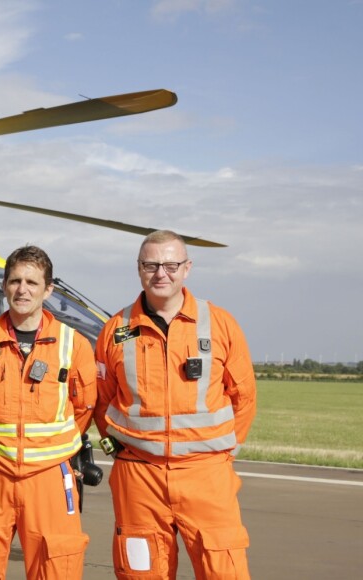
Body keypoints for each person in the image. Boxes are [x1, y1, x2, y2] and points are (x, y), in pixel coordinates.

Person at [94, 229, 257, 580]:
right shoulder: (115, 330)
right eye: (151, 265)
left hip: (206, 475)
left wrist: (222, 454)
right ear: (139, 269)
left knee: (223, 571)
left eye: (170, 264)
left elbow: (244, 397)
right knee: (141, 572)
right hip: (139, 476)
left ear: (187, 268)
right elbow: (101, 399)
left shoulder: (220, 324)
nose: (161, 273)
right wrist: (121, 450)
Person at [0, 245, 97, 579]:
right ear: (4, 286)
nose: (22, 289)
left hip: (48, 476)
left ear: (48, 289)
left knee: (56, 568)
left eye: (32, 282)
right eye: (15, 281)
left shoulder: (73, 345)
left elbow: (85, 407)